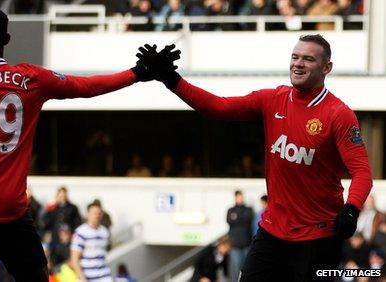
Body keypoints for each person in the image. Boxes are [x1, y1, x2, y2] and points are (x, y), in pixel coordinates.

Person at [0, 7, 164, 281]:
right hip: (9, 209)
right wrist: (137, 73)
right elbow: (86, 86)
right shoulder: (32, 78)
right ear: (7, 39)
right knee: (37, 276)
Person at [136, 34, 372, 281]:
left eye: (308, 59)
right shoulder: (272, 99)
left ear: (327, 68)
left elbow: (362, 172)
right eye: (295, 57)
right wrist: (171, 80)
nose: (298, 64)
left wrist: (351, 209)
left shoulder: (339, 114)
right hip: (271, 234)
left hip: (318, 238)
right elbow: (217, 106)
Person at [69, 203, 112, 282]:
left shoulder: (104, 232)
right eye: (94, 213)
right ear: (88, 214)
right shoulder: (81, 232)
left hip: (104, 275)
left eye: (99, 213)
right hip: (87, 276)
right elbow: (74, 258)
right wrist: (83, 278)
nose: (97, 216)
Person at [226, 190, 254, 282]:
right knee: (236, 267)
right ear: (235, 198)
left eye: (241, 197)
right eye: (238, 197)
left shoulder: (248, 209)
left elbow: (248, 220)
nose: (240, 199)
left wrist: (237, 218)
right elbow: (229, 221)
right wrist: (241, 218)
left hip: (247, 243)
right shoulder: (231, 210)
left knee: (246, 267)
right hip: (235, 244)